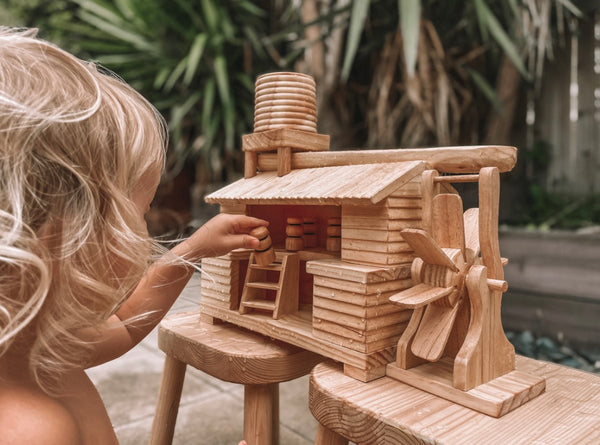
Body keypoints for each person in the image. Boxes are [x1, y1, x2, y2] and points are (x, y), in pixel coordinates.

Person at [0, 27, 265, 444]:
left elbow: (122, 326)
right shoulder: (32, 430)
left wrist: (191, 251)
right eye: (141, 210)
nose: (146, 228)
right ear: (61, 237)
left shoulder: (32, 347)